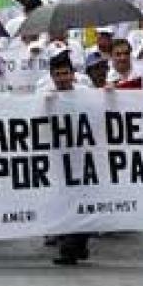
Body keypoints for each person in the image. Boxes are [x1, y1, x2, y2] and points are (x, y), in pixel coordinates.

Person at [38, 51, 90, 265]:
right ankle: (74, 245)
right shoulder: (46, 96)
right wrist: (45, 106)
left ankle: (73, 246)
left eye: (65, 73)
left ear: (73, 74)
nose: (62, 78)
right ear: (52, 76)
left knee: (85, 201)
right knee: (66, 200)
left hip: (86, 157)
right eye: (58, 74)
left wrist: (109, 93)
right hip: (59, 160)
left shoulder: (87, 93)